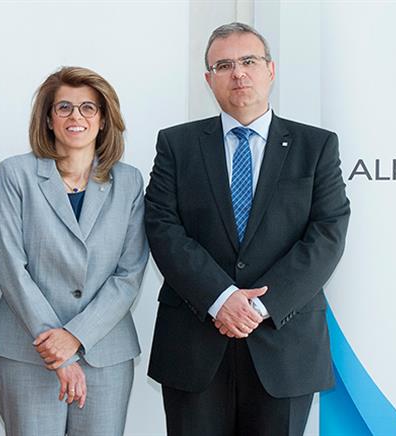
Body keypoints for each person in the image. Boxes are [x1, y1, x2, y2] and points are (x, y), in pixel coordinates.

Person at [145, 22, 351, 435]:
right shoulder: (176, 144)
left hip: (284, 345)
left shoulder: (316, 145)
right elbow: (162, 227)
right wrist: (220, 299)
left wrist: (258, 307)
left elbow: (327, 234)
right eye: (223, 65)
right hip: (194, 343)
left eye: (249, 61)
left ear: (270, 70)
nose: (238, 73)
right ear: (209, 80)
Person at [0, 66, 148, 436]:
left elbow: (129, 274)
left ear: (104, 120)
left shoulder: (129, 181)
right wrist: (56, 346)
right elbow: (11, 268)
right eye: (64, 107)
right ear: (48, 119)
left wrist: (75, 337)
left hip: (104, 353)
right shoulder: (15, 174)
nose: (76, 116)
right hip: (29, 351)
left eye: (88, 108)